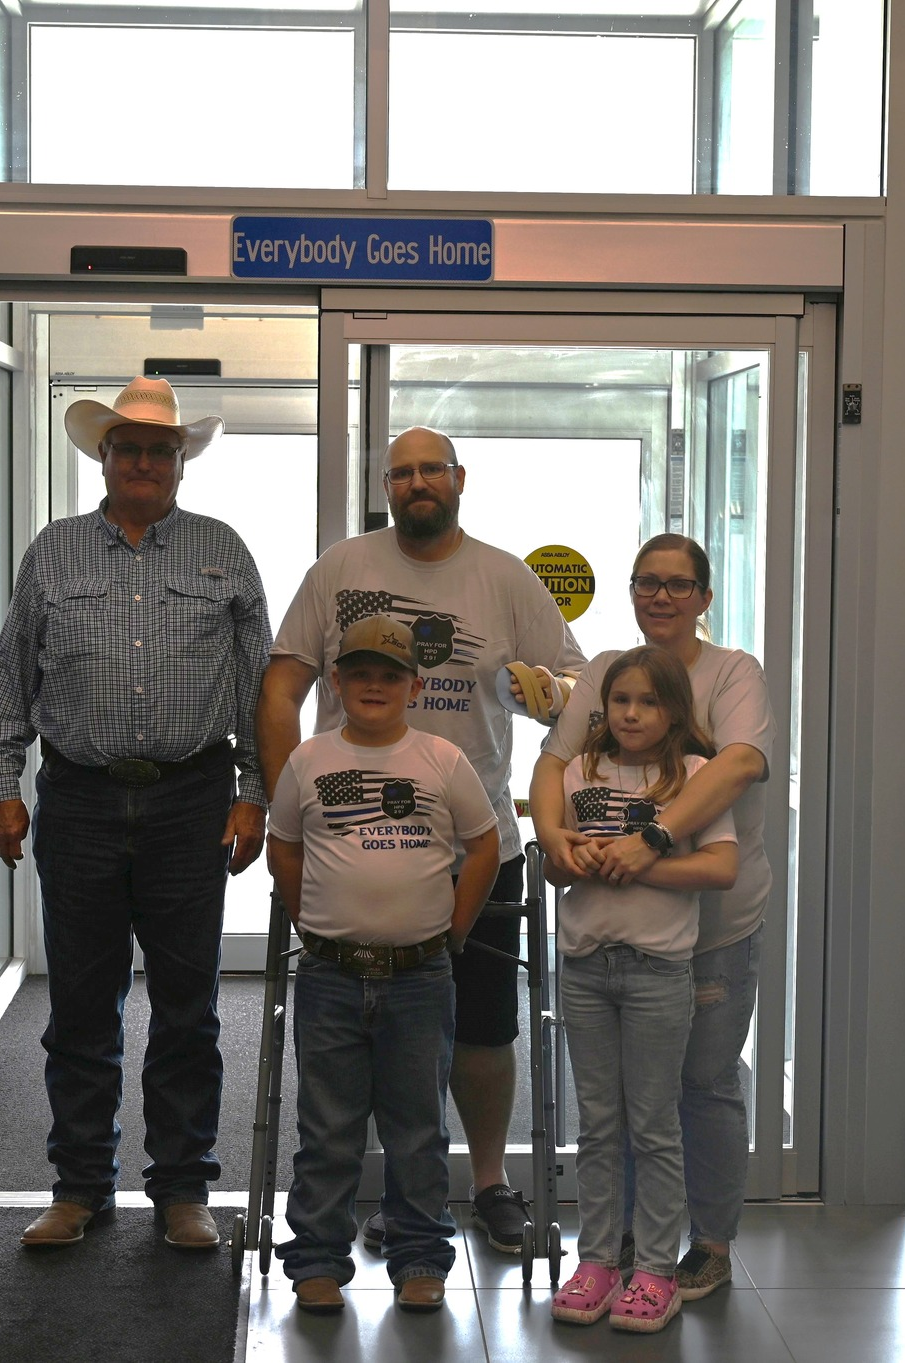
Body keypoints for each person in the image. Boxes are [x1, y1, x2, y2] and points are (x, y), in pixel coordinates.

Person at [258, 427, 584, 1255]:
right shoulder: (342, 568)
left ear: (459, 478)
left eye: (428, 469)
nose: (415, 483)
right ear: (387, 486)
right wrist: (283, 798)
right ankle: (394, 1197)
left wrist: (552, 693)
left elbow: (576, 691)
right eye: (399, 473)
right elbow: (283, 682)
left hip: (480, 848)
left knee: (482, 1030)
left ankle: (487, 1181)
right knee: (359, 1036)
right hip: (351, 846)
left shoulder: (504, 577)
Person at [0, 377, 270, 1251]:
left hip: (191, 801)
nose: (144, 460)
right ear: (103, 457)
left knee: (188, 1008)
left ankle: (182, 1190)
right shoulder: (53, 554)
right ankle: (79, 1185)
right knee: (82, 1007)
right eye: (128, 446)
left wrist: (253, 793)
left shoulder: (222, 550)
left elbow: (258, 690)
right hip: (81, 800)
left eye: (160, 448)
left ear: (181, 461)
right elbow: (9, 677)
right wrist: (3, 785)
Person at [530, 533, 773, 1301]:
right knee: (620, 1101)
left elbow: (738, 764)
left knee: (699, 1085)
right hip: (608, 934)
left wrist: (650, 842)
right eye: (646, 582)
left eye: (677, 584)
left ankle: (707, 1242)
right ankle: (626, 1240)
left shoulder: (735, 673)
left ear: (704, 595)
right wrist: (554, 838)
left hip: (714, 928)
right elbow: (551, 763)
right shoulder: (606, 671)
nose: (660, 596)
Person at [266, 615, 501, 1315]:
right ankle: (315, 1257)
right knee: (328, 1126)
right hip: (331, 977)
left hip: (420, 979)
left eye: (390, 674)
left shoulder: (440, 759)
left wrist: (453, 928)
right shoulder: (309, 760)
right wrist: (311, 918)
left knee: (418, 1128)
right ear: (335, 682)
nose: (374, 684)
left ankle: (421, 1255)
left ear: (414, 684)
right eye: (359, 672)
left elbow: (483, 845)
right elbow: (284, 847)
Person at [543, 647, 738, 1333]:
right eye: (620, 700)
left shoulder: (696, 775)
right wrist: (573, 857)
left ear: (674, 711)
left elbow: (720, 867)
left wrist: (640, 864)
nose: (631, 712)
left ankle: (656, 1269)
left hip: (658, 971)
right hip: (588, 968)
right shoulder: (576, 770)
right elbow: (557, 869)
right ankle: (597, 1258)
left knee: (653, 1125)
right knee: (598, 1124)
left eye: (648, 701)